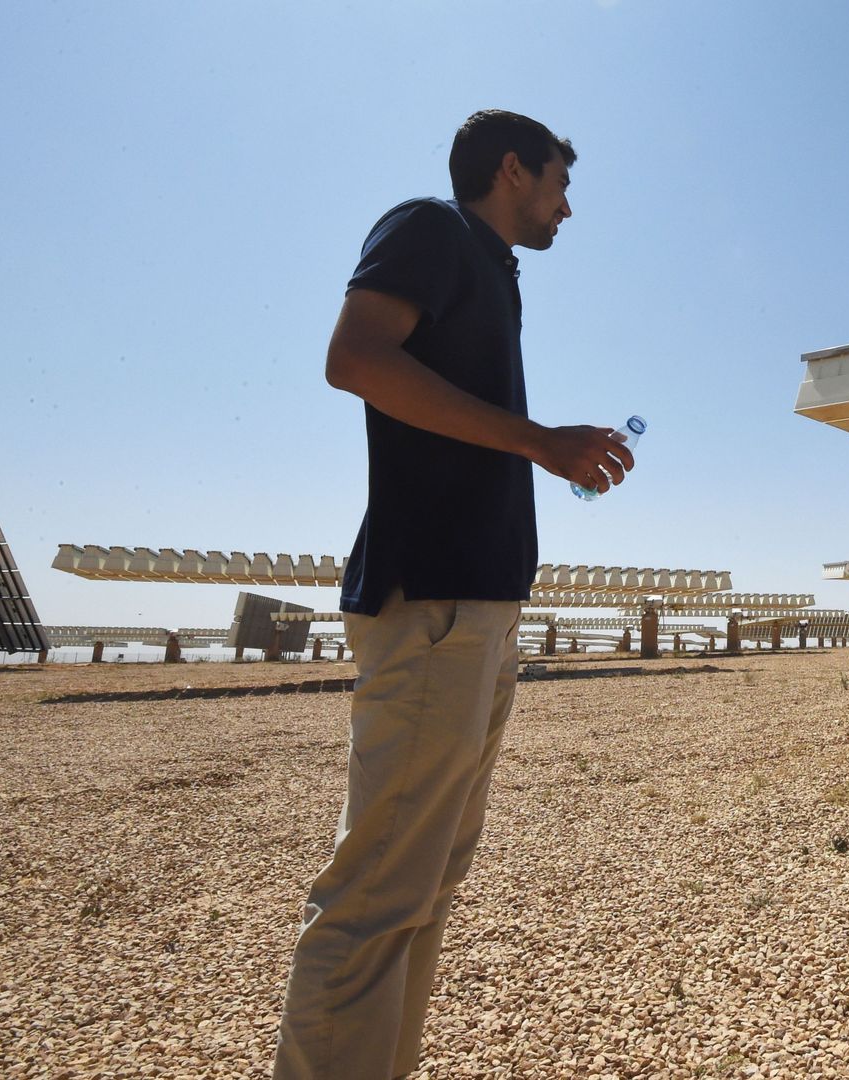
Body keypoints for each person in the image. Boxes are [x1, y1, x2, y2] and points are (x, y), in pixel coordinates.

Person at [273, 109, 635, 1080]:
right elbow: (354, 359)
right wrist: (538, 441)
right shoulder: (430, 228)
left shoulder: (490, 265)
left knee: (425, 882)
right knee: (382, 889)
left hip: (475, 607)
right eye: (561, 181)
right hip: (431, 601)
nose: (569, 205)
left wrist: (544, 449)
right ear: (512, 169)